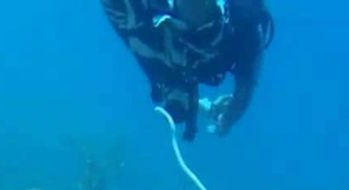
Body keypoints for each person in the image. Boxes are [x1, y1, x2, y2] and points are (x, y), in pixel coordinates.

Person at [100, 0, 274, 140]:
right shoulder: (142, 26)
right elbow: (246, 80)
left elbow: (247, 77)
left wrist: (230, 115)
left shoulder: (244, 21)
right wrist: (230, 114)